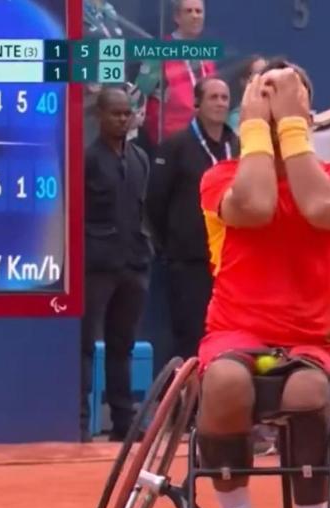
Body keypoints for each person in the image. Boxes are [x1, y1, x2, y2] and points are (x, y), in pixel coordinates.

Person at [196, 59, 330, 508]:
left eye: (288, 103)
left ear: (307, 116)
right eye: (265, 103)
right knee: (224, 383)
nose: (275, 114)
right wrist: (255, 129)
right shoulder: (219, 177)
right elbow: (255, 206)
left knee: (306, 394)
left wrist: (288, 126)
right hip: (236, 332)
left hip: (315, 338)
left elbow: (322, 211)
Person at [147, 76, 237, 361]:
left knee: (228, 335)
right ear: (197, 104)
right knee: (190, 336)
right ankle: (185, 400)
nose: (220, 103)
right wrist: (172, 242)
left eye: (224, 97)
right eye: (214, 97)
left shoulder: (236, 146)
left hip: (231, 260)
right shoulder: (176, 146)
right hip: (190, 259)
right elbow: (156, 201)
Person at [80, 87, 151, 442]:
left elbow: (143, 210)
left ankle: (124, 422)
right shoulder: (87, 160)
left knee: (122, 345)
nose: (123, 119)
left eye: (128, 113)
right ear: (99, 116)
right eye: (116, 113)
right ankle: (79, 422)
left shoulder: (140, 159)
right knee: (85, 344)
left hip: (133, 265)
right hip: (96, 266)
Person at [135, 0, 218, 149]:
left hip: (203, 139)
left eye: (199, 11)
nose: (195, 16)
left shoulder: (206, 53)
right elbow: (139, 95)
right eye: (189, 11)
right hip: (170, 144)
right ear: (177, 17)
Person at [227, 55, 268, 131]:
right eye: (260, 73)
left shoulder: (277, 111)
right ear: (244, 82)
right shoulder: (236, 118)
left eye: (267, 73)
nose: (265, 78)